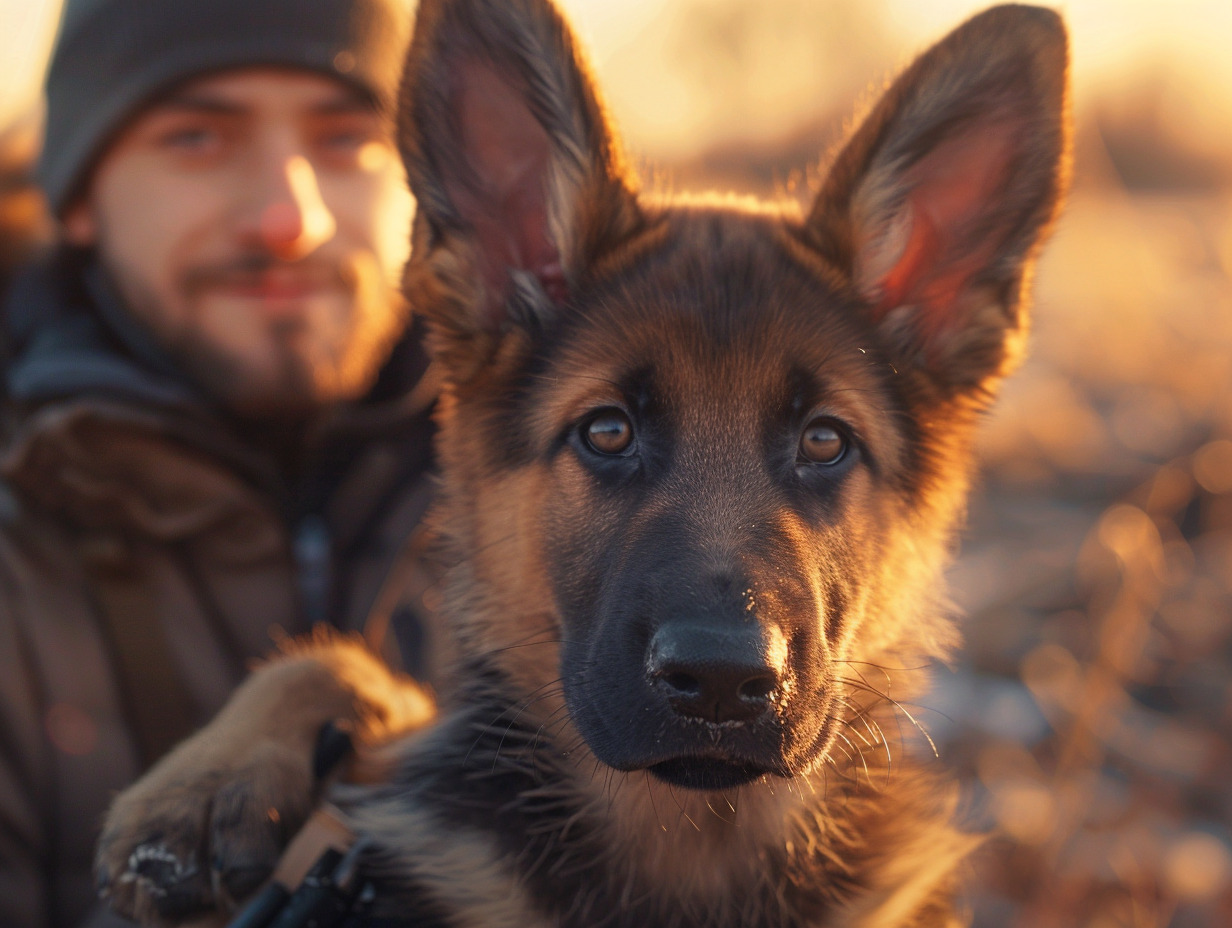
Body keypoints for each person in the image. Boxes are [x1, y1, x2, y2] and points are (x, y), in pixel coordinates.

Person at [0, 1, 445, 926]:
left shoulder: (600, 499)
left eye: (348, 136)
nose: (291, 217)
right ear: (76, 197)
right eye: (197, 136)